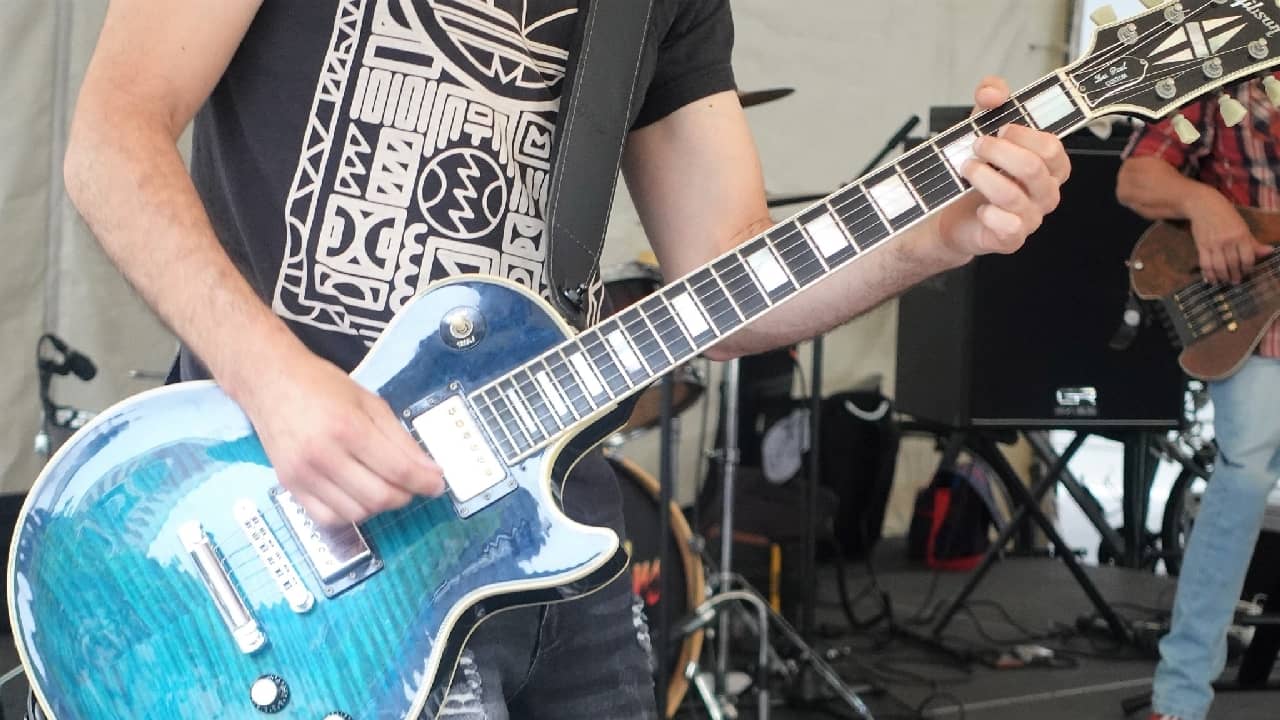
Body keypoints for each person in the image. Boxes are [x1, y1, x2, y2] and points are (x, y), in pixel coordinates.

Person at [62, 0, 1069, 717]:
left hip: (547, 538)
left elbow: (720, 281)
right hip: (298, 541)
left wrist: (941, 235)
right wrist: (276, 382)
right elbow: (112, 138)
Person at [1117, 82, 1280, 720]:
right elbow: (1135, 179)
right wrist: (1202, 199)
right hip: (1259, 322)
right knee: (1243, 475)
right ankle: (1179, 698)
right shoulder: (1224, 70)